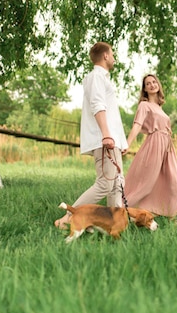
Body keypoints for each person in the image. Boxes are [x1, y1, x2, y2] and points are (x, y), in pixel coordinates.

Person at [55, 42, 128, 229]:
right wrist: (106, 135)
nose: (113, 57)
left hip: (112, 140)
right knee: (105, 184)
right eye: (112, 54)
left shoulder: (102, 78)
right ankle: (67, 220)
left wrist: (121, 140)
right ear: (105, 56)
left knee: (117, 184)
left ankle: (115, 224)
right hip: (104, 139)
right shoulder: (96, 77)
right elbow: (98, 105)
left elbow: (111, 113)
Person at [124, 74, 177, 218]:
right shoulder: (144, 105)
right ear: (145, 89)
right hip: (155, 144)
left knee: (174, 182)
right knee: (147, 182)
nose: (152, 85)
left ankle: (170, 214)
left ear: (158, 84)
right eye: (148, 83)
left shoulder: (159, 107)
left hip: (167, 148)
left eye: (154, 82)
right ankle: (126, 210)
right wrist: (127, 144)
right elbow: (137, 125)